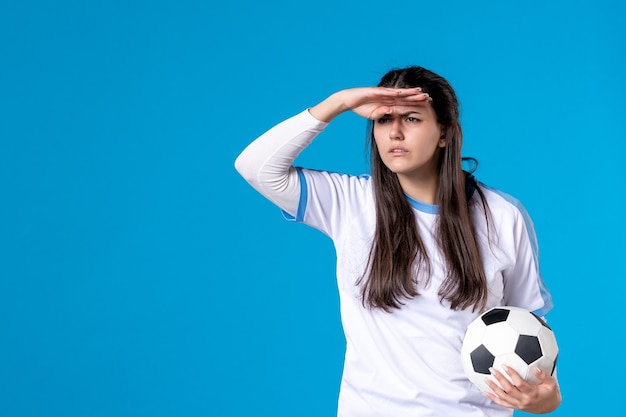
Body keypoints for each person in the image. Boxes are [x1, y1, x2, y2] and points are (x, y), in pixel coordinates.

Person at [234, 66, 561, 416]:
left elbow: (528, 334)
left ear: (444, 133)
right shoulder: (350, 202)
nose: (395, 133)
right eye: (382, 119)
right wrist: (338, 102)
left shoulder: (502, 215)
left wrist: (547, 399)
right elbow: (255, 166)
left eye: (412, 119)